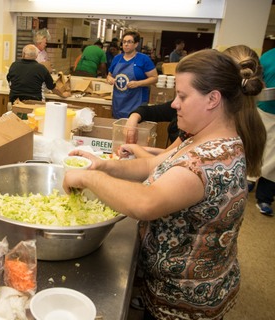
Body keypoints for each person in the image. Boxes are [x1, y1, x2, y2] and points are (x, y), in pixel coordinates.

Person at [63, 47, 266, 320]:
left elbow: (146, 203)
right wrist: (105, 165)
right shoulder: (199, 137)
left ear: (213, 99)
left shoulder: (209, 159)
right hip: (170, 285)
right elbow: (154, 165)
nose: (174, 104)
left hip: (185, 301)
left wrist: (89, 177)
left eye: (182, 96)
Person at [107, 30, 158, 119]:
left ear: (136, 44)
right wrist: (109, 79)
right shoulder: (117, 58)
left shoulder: (143, 59)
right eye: (124, 42)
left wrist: (138, 83)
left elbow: (154, 78)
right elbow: (109, 75)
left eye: (129, 42)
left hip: (137, 101)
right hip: (119, 102)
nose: (126, 44)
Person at [254, 47, 275, 216]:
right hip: (266, 110)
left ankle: (265, 198)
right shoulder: (268, 57)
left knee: (274, 158)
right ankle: (249, 180)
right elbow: (256, 81)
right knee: (258, 147)